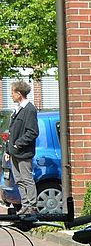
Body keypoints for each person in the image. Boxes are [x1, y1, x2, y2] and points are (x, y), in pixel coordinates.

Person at [7, 80, 38, 215]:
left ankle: (32, 207)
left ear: (19, 93)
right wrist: (8, 150)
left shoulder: (29, 109)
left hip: (23, 153)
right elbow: (12, 131)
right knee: (19, 180)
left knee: (27, 179)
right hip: (14, 152)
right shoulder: (18, 109)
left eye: (12, 92)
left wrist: (18, 144)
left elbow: (32, 132)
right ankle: (25, 206)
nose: (11, 95)